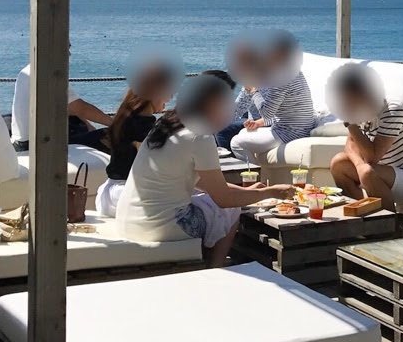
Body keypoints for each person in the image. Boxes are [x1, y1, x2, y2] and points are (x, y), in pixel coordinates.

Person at [116, 70, 291, 265]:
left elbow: (206, 186)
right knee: (231, 210)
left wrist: (249, 191)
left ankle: (205, 260)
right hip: (159, 227)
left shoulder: (165, 125)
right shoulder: (199, 135)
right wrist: (271, 192)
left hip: (128, 220)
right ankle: (215, 267)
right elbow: (224, 199)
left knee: (209, 204)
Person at [327, 63, 403, 210]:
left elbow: (372, 157)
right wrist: (359, 165)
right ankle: (359, 216)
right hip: (391, 173)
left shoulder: (393, 109)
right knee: (339, 163)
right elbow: (350, 144)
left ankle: (388, 223)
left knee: (367, 173)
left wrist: (349, 122)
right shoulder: (361, 108)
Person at [93, 60, 179, 217]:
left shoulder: (125, 117)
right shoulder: (144, 123)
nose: (170, 98)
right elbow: (152, 164)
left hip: (107, 194)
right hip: (127, 195)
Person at [222, 32, 315, 164]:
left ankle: (254, 175)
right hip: (291, 128)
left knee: (237, 143)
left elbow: (267, 113)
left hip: (291, 133)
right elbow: (276, 112)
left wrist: (254, 91)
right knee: (241, 133)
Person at [9, 52, 112, 151]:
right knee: (111, 135)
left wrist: (85, 121)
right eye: (65, 48)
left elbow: (69, 108)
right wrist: (115, 124)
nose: (69, 53)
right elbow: (82, 109)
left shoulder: (30, 70)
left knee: (78, 123)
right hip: (39, 145)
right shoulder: (50, 73)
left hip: (21, 142)